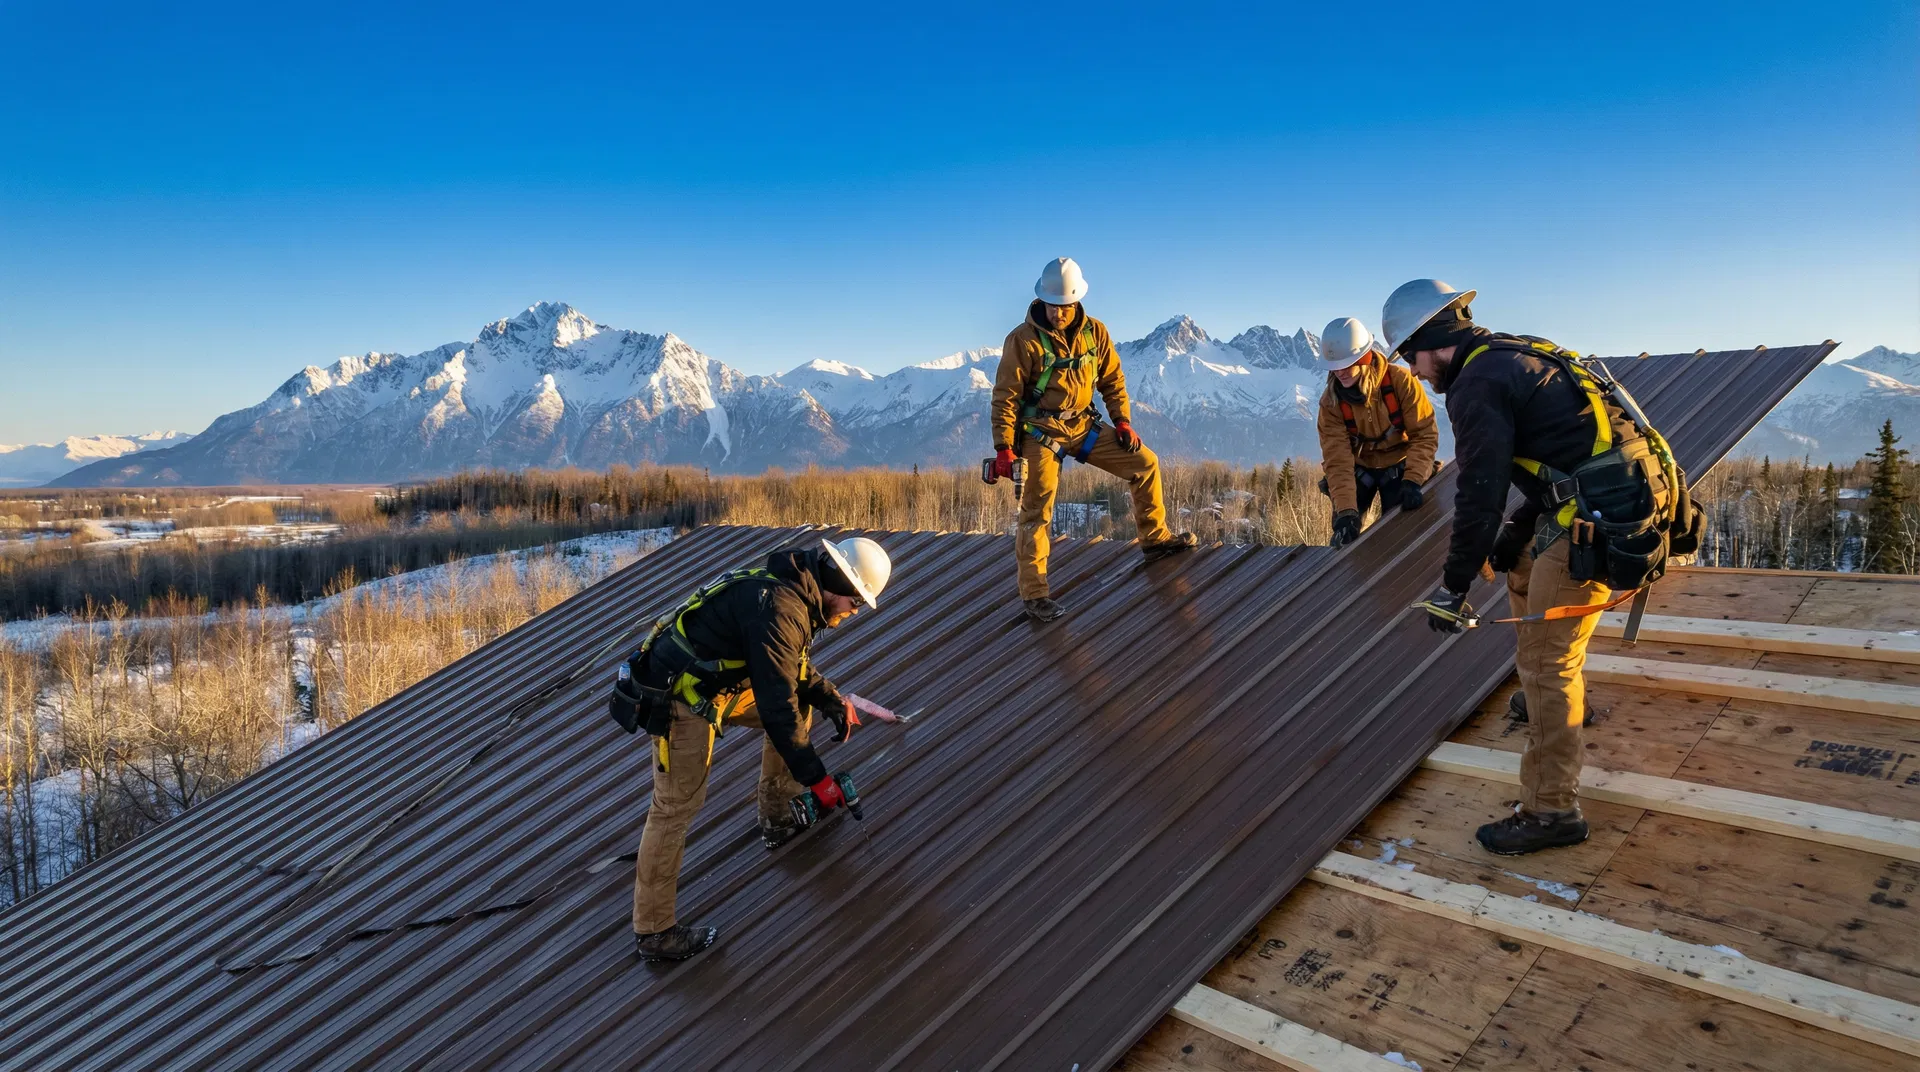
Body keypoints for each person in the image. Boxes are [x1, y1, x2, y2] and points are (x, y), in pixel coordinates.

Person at [1385, 278, 1680, 856]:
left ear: (1432, 339)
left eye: (1411, 358)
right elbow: (1557, 463)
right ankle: (1549, 699)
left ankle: (1551, 811)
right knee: (1520, 569)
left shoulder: (1475, 384)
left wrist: (1453, 586)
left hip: (1597, 524)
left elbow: (1480, 492)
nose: (1415, 373)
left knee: (1549, 663)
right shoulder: (1515, 354)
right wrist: (1513, 537)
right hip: (1618, 504)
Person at [629, 536, 892, 960]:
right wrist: (819, 781)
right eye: (854, 603)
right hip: (682, 697)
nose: (852, 612)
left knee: (802, 707)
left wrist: (827, 697)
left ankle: (777, 818)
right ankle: (655, 932)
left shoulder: (796, 590)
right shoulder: (781, 607)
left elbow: (785, 666)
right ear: (836, 584)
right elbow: (777, 707)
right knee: (677, 805)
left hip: (717, 686)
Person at [989, 257, 1195, 622]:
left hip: (1083, 426)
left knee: (1145, 464)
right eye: (1053, 306)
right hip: (1041, 432)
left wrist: (1123, 422)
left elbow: (1112, 381)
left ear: (1075, 301)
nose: (1058, 314)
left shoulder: (1094, 333)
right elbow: (1006, 396)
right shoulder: (1022, 340)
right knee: (1036, 511)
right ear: (1043, 301)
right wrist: (1004, 447)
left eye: (1064, 306)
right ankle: (1035, 595)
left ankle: (1155, 541)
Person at [1313, 316, 1440, 547]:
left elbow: (1424, 435)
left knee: (1403, 530)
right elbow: (1337, 460)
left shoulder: (1400, 382)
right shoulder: (1331, 403)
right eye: (1335, 367)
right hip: (1359, 467)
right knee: (1345, 536)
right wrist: (1346, 511)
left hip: (1402, 464)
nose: (1340, 373)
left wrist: (1413, 480)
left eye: (1347, 364)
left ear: (1365, 358)